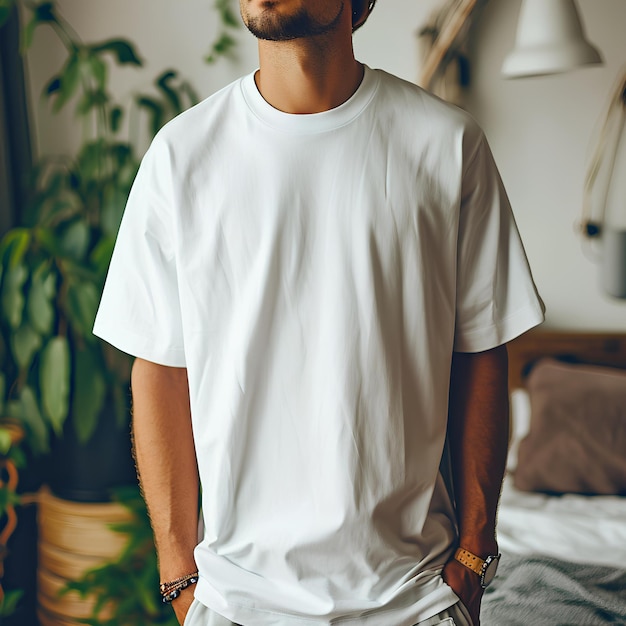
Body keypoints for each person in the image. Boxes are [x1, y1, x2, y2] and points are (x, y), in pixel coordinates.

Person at [93, 0, 545, 624]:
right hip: (237, 604)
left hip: (412, 600)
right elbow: (160, 369)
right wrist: (178, 574)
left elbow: (482, 350)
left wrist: (474, 552)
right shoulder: (182, 157)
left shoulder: (445, 143)